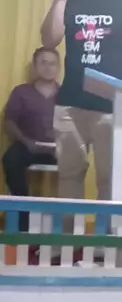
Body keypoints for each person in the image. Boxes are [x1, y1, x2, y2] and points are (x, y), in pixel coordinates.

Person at [40, 0, 122, 202]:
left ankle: (107, 224)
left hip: (114, 107)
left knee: (111, 180)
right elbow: (49, 41)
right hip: (70, 105)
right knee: (68, 177)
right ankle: (68, 224)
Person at [2, 48, 60, 231]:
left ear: (58, 68)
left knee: (78, 162)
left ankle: (63, 223)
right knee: (10, 159)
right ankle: (23, 221)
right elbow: (9, 122)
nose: (48, 67)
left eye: (53, 63)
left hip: (58, 149)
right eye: (43, 62)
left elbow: (78, 123)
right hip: (27, 145)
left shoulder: (67, 94)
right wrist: (26, 141)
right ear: (35, 66)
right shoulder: (21, 92)